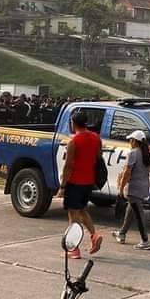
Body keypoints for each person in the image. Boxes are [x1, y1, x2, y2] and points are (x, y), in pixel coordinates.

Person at [55, 110, 104, 259]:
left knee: (73, 216)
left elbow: (68, 165)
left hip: (75, 181)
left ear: (73, 123)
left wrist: (63, 186)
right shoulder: (95, 138)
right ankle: (94, 235)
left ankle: (73, 248)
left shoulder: (74, 141)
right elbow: (98, 156)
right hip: (89, 181)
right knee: (82, 210)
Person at [114, 130, 150, 251]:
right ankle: (122, 233)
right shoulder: (147, 154)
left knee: (139, 215)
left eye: (131, 140)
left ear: (135, 141)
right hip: (143, 189)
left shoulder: (133, 154)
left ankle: (145, 241)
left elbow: (127, 172)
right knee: (131, 210)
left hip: (133, 189)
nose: (130, 142)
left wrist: (121, 188)